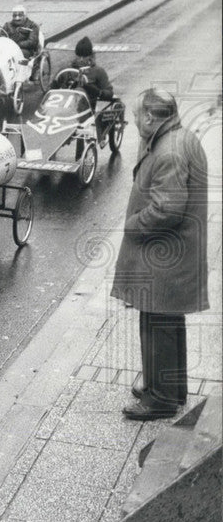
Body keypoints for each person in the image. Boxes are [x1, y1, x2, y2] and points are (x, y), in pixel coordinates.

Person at [111, 89, 209, 420]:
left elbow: (167, 209)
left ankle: (162, 398)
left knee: (158, 321)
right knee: (163, 320)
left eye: (137, 116)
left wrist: (133, 225)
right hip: (172, 253)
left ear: (152, 118)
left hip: (165, 255)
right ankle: (168, 385)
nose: (134, 121)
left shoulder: (169, 151)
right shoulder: (177, 137)